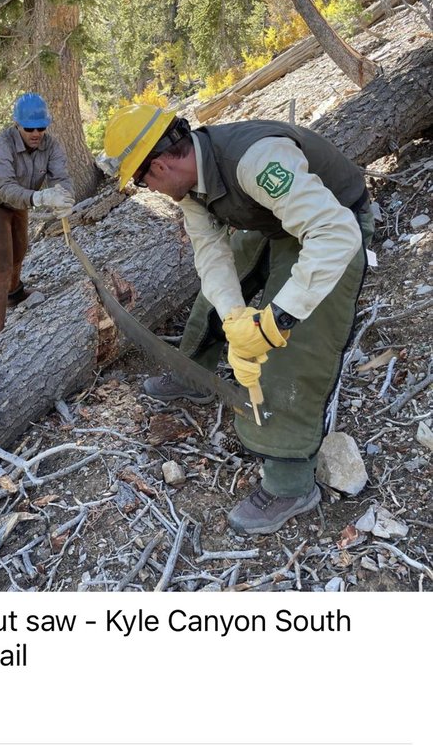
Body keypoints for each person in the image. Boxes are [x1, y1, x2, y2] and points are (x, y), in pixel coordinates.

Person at [104, 104, 374, 535]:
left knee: (294, 349)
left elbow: (334, 232)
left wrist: (275, 321)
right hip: (273, 223)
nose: (148, 189)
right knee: (210, 305)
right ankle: (194, 377)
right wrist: (234, 318)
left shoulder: (256, 160)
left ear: (157, 165)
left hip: (336, 226)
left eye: (142, 181)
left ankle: (290, 485)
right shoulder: (191, 183)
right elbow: (210, 254)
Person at [0, 93, 75, 344]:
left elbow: (61, 176)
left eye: (41, 127)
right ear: (17, 125)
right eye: (29, 128)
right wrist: (40, 199)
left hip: (21, 200)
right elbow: (5, 189)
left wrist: (65, 198)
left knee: (19, 249)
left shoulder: (51, 146)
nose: (36, 133)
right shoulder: (2, 145)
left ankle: (14, 294)